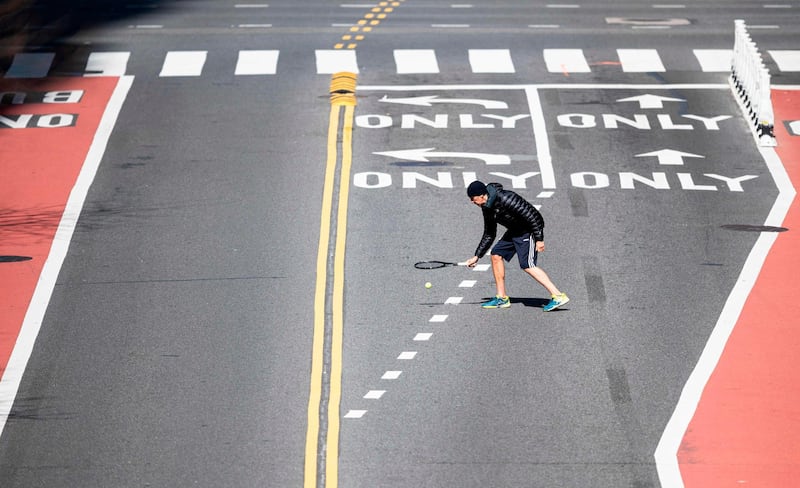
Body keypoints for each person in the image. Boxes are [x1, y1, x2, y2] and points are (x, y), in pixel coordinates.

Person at [464, 180, 569, 312]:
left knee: (527, 265)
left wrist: (539, 239)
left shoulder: (506, 198)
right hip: (514, 231)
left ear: (481, 195)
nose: (472, 202)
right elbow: (489, 233)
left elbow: (534, 216)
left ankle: (558, 295)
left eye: (472, 199)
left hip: (527, 231)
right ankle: (502, 298)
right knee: (496, 254)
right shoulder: (487, 207)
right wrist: (477, 256)